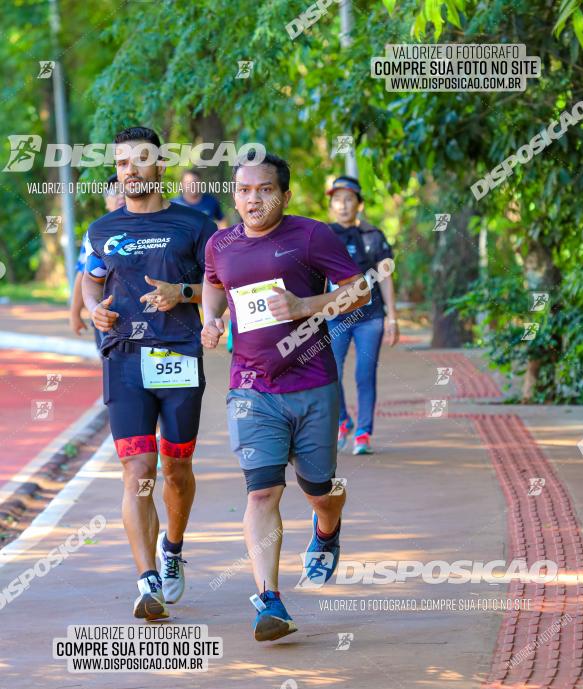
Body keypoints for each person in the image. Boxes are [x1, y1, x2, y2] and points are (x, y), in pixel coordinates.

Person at [202, 153, 368, 642]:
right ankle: (269, 600)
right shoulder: (220, 244)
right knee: (261, 492)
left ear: (285, 195)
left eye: (264, 189)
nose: (253, 198)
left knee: (320, 491)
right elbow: (214, 287)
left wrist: (305, 305)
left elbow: (357, 291)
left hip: (313, 383)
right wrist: (212, 320)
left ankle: (327, 529)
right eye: (244, 190)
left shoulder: (312, 235)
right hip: (251, 388)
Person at [82, 126, 216, 621]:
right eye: (121, 163)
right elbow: (91, 281)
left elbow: (219, 288)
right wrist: (95, 310)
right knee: (138, 470)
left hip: (178, 353)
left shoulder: (195, 226)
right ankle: (146, 581)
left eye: (141, 159)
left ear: (160, 164)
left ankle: (173, 549)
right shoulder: (100, 229)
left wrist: (182, 294)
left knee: (176, 470)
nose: (131, 169)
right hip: (124, 358)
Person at [326, 175, 399, 455]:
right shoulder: (324, 235)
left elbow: (386, 277)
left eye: (348, 199)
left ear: (359, 204)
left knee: (364, 374)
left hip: (370, 317)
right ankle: (343, 421)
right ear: (331, 205)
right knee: (330, 372)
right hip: (335, 315)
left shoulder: (373, 236)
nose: (343, 205)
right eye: (337, 200)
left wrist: (392, 317)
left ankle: (364, 433)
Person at [70, 174, 124, 341]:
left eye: (124, 190)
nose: (121, 195)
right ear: (106, 202)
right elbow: (84, 274)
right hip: (110, 318)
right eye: (114, 192)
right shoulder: (97, 232)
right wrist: (74, 313)